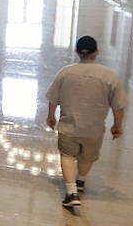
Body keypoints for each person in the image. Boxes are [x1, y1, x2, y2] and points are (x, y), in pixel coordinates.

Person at [46, 35, 127, 208]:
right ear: (96, 52)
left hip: (69, 126)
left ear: (77, 52)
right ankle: (81, 180)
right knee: (87, 157)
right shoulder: (109, 76)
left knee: (67, 156)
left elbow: (53, 98)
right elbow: (118, 105)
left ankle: (71, 192)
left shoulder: (66, 72)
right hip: (94, 129)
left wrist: (51, 116)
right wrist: (117, 125)